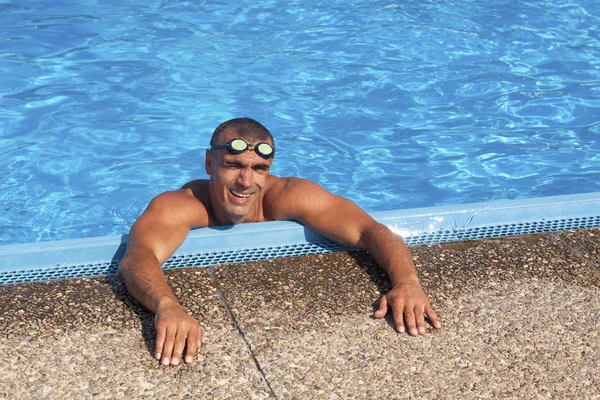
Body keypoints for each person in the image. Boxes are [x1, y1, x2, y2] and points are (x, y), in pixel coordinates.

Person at [119, 117, 441, 367]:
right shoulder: (183, 204)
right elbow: (139, 255)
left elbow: (371, 231)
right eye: (233, 166)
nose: (246, 181)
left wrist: (408, 283)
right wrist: (167, 306)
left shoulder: (290, 195)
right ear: (209, 164)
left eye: (259, 169)